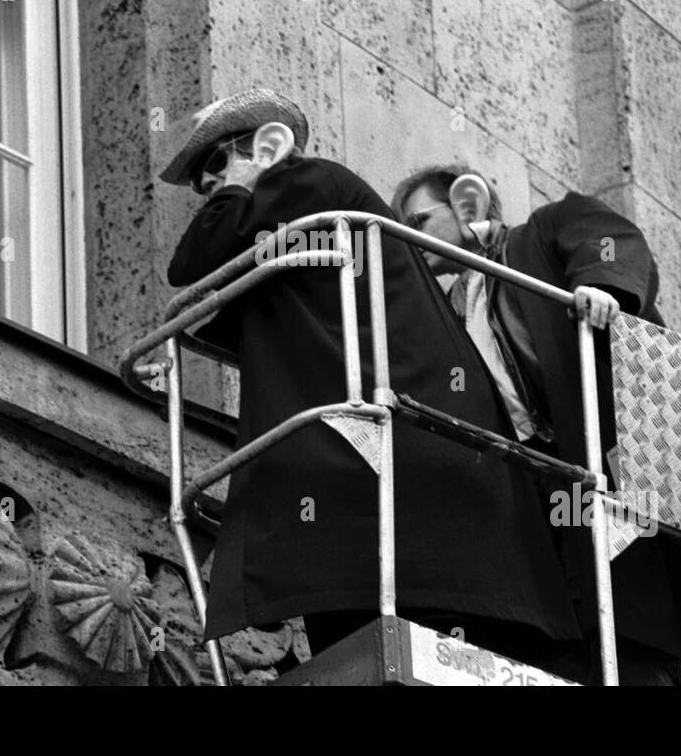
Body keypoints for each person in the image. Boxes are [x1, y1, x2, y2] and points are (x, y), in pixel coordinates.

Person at [162, 89, 583, 672]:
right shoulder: (298, 213)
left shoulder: (300, 179)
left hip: (379, 479)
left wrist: (240, 182)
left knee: (362, 636)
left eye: (213, 164)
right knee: (363, 637)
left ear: (261, 145)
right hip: (403, 488)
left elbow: (190, 263)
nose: (206, 187)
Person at [391, 164, 681, 685]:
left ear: (467, 207)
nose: (410, 237)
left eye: (418, 220)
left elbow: (605, 238)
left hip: (598, 452)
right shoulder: (447, 306)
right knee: (560, 628)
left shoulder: (540, 234)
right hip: (529, 480)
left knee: (629, 617)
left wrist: (599, 285)